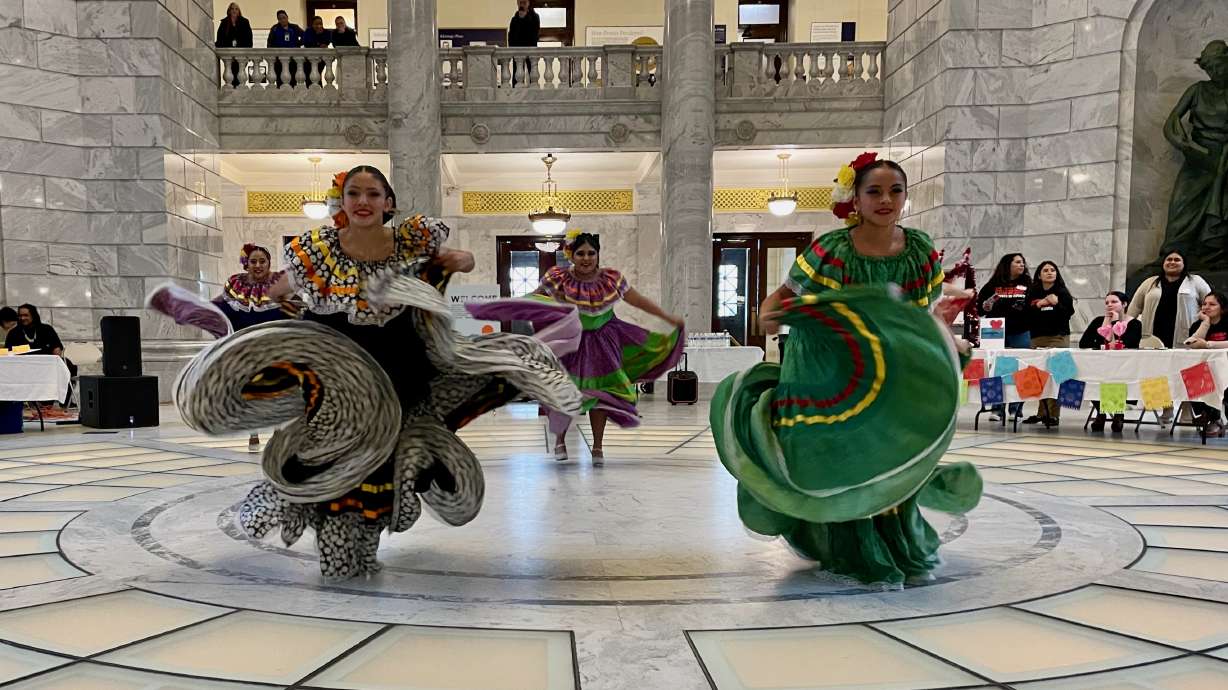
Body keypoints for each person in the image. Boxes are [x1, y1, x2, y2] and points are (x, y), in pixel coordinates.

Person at [149, 165, 579, 580]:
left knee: (383, 468)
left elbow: (461, 259)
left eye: (373, 194)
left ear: (389, 203)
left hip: (402, 374)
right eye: (354, 193)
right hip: (341, 385)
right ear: (343, 201)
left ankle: (361, 545)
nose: (363, 201)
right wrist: (267, 302)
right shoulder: (318, 250)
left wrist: (451, 262)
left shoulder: (411, 242)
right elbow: (279, 289)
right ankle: (333, 541)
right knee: (337, 471)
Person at [713, 153, 982, 587]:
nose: (885, 200)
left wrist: (946, 338)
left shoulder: (919, 251)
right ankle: (856, 549)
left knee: (891, 451)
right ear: (854, 198)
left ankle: (892, 543)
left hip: (891, 371)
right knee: (846, 456)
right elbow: (771, 309)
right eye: (873, 191)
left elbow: (922, 317)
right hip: (829, 367)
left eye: (895, 191)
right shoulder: (831, 249)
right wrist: (815, 314)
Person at [485, 231, 684, 464]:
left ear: (598, 255)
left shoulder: (611, 279)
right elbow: (534, 298)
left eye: (592, 253)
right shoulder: (559, 278)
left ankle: (598, 447)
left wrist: (667, 317)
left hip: (604, 343)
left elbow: (637, 300)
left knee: (600, 395)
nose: (586, 258)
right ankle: (560, 440)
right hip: (570, 344)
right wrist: (509, 306)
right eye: (581, 253)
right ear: (572, 255)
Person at [214, 243, 295, 452]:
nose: (258, 265)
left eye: (262, 261)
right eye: (253, 261)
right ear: (246, 264)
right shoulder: (235, 286)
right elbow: (222, 310)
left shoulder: (279, 283)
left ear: (269, 263)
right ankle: (254, 431)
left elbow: (295, 310)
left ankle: (278, 429)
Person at [1157, 40, 1228, 266]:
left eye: (1219, 65)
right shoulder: (1197, 90)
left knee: (1221, 208)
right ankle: (1173, 254)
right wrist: (1182, 143)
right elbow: (1171, 122)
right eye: (1210, 68)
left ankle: (1213, 252)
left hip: (1224, 158)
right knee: (1181, 203)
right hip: (1197, 157)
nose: (1215, 72)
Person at [1080, 291, 1143, 433]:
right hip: (1100, 364)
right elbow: (1084, 343)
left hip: (1124, 366)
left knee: (1116, 378)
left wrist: (1115, 323)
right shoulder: (1098, 321)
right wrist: (1106, 323)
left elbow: (1126, 343)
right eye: (1107, 302)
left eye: (1114, 302)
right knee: (1089, 377)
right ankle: (1101, 412)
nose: (1109, 305)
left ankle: (1118, 413)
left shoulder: (1134, 324)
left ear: (1124, 304)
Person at [978, 253, 1031, 419]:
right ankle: (996, 408)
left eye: (1023, 262)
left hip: (1020, 331)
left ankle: (1015, 408)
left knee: (1020, 368)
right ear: (1007, 264)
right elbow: (980, 308)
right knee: (995, 368)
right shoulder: (993, 285)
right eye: (1017, 262)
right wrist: (986, 306)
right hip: (995, 333)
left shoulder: (1028, 284)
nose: (1021, 265)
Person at [1023, 261, 1074, 428]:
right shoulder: (1033, 292)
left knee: (1056, 376)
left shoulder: (1062, 292)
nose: (1050, 273)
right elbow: (1026, 313)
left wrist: (1055, 304)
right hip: (1037, 337)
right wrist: (1041, 303)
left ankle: (1053, 414)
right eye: (1045, 270)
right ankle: (1041, 412)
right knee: (1038, 375)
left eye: (1053, 270)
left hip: (1058, 337)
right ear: (1039, 275)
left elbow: (1067, 313)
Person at [1128, 248, 1211, 349]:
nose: (1172, 262)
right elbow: (1134, 308)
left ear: (1184, 264)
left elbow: (1210, 304)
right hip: (1153, 336)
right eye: (1169, 259)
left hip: (1186, 335)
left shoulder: (1196, 281)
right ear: (1163, 263)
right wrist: (1126, 328)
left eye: (1177, 260)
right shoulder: (1149, 282)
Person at [5, 304, 76, 406]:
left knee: (68, 365)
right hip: (24, 367)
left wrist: (57, 360)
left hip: (47, 365)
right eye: (20, 316)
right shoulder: (14, 333)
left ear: (33, 315)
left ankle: (65, 402)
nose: (22, 318)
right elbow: (9, 353)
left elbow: (56, 348)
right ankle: (37, 402)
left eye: (26, 315)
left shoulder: (46, 329)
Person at [1183, 291, 1228, 437]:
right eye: (1204, 304)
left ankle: (1214, 417)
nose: (1207, 307)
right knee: (1190, 377)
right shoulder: (1199, 324)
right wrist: (1205, 323)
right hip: (1205, 369)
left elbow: (1204, 344)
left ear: (1222, 308)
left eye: (1212, 304)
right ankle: (1212, 418)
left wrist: (1209, 344)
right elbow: (1191, 343)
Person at [267, 9, 303, 87]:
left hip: (292, 59)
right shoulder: (275, 28)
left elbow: (305, 36)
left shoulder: (294, 27)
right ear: (278, 20)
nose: (282, 20)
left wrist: (298, 44)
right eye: (280, 18)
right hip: (279, 59)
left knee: (293, 79)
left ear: (287, 17)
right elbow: (269, 42)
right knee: (279, 80)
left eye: (284, 17)